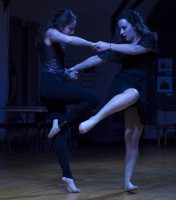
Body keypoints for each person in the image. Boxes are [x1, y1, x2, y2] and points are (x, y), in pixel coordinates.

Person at [69, 10, 159, 193]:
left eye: (125, 28)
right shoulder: (120, 46)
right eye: (120, 29)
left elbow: (135, 50)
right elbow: (97, 58)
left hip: (144, 84)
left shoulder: (149, 38)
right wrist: (74, 67)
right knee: (133, 94)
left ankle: (127, 182)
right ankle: (95, 119)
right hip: (126, 83)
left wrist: (109, 44)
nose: (122, 32)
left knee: (132, 138)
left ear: (135, 25)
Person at [36, 9, 99, 193]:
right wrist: (91, 44)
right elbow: (70, 40)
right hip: (51, 88)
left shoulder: (56, 39)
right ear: (61, 25)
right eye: (70, 28)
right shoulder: (50, 32)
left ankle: (67, 176)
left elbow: (55, 68)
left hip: (54, 86)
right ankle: (61, 123)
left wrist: (67, 74)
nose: (72, 32)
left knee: (60, 134)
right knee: (92, 98)